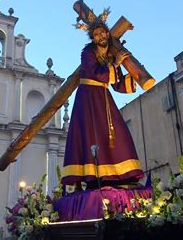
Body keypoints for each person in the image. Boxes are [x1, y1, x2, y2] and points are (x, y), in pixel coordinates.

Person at [61, 19, 144, 188]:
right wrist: (115, 63)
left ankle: (121, 175)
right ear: (93, 38)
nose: (101, 36)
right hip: (88, 98)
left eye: (103, 32)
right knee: (93, 135)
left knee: (118, 132)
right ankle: (95, 176)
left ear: (107, 33)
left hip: (103, 96)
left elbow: (116, 83)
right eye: (96, 34)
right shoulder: (87, 53)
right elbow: (95, 74)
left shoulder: (111, 55)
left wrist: (133, 76)